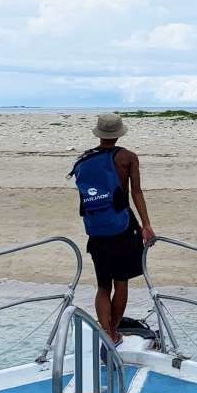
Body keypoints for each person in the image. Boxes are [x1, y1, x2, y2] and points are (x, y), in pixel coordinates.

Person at [69, 113, 156, 346]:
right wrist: (146, 225)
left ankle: (105, 332)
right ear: (119, 133)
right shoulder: (128, 158)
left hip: (96, 231)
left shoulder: (85, 160)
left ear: (99, 134)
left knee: (103, 286)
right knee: (121, 283)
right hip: (123, 228)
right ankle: (113, 332)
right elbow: (136, 192)